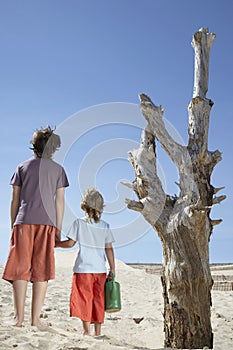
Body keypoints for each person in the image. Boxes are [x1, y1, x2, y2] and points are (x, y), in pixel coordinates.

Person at [2, 126, 69, 327]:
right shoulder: (59, 170)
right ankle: (36, 320)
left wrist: (14, 223)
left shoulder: (21, 167)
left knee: (20, 269)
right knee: (41, 269)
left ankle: (18, 318)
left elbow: (15, 200)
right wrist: (58, 227)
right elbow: (60, 202)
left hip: (23, 222)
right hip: (47, 223)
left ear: (34, 147)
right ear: (53, 149)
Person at [55, 188, 115, 337]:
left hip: (83, 269)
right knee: (99, 300)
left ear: (84, 206)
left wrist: (55, 244)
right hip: (100, 270)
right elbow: (109, 249)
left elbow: (70, 244)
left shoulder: (79, 223)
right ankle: (98, 332)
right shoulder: (105, 226)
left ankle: (86, 331)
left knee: (84, 299)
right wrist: (112, 268)